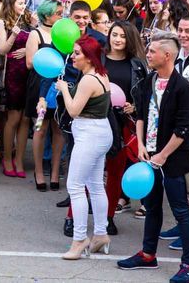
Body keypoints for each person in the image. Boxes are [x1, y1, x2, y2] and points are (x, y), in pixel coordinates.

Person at [118, 32, 189, 283]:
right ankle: (148, 254)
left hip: (173, 158)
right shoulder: (148, 82)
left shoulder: (183, 88)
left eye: (152, 51)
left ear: (167, 55)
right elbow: (141, 115)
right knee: (152, 206)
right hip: (150, 155)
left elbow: (183, 128)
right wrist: (142, 144)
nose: (148, 54)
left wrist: (163, 155)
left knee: (181, 211)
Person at [57, 35, 113, 260]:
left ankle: (80, 239)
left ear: (89, 58)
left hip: (90, 134)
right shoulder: (100, 74)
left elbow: (73, 110)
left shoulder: (89, 79)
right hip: (99, 132)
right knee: (95, 185)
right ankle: (101, 234)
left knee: (75, 186)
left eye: (77, 53)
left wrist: (63, 88)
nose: (72, 57)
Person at [104, 21, 146, 226]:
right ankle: (75, 217)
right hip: (97, 121)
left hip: (123, 124)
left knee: (115, 171)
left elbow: (146, 94)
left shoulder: (137, 64)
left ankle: (109, 216)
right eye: (114, 35)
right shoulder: (98, 60)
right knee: (92, 170)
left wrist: (135, 107)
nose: (118, 39)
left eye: (122, 36)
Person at [25, 0, 65, 192]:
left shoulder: (64, 32)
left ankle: (55, 171)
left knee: (58, 129)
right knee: (40, 128)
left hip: (59, 85)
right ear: (47, 15)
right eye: (58, 12)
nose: (61, 16)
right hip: (40, 85)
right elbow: (29, 62)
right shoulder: (36, 33)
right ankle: (39, 171)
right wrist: (48, 59)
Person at [0, 0, 30, 177]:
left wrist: (27, 50)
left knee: (26, 119)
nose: (23, 6)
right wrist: (14, 35)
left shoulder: (29, 22)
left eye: (24, 2)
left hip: (29, 72)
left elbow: (38, 43)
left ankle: (19, 161)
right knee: (14, 118)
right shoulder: (3, 22)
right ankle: (7, 158)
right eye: (19, 3)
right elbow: (2, 49)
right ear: (10, 4)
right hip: (13, 74)